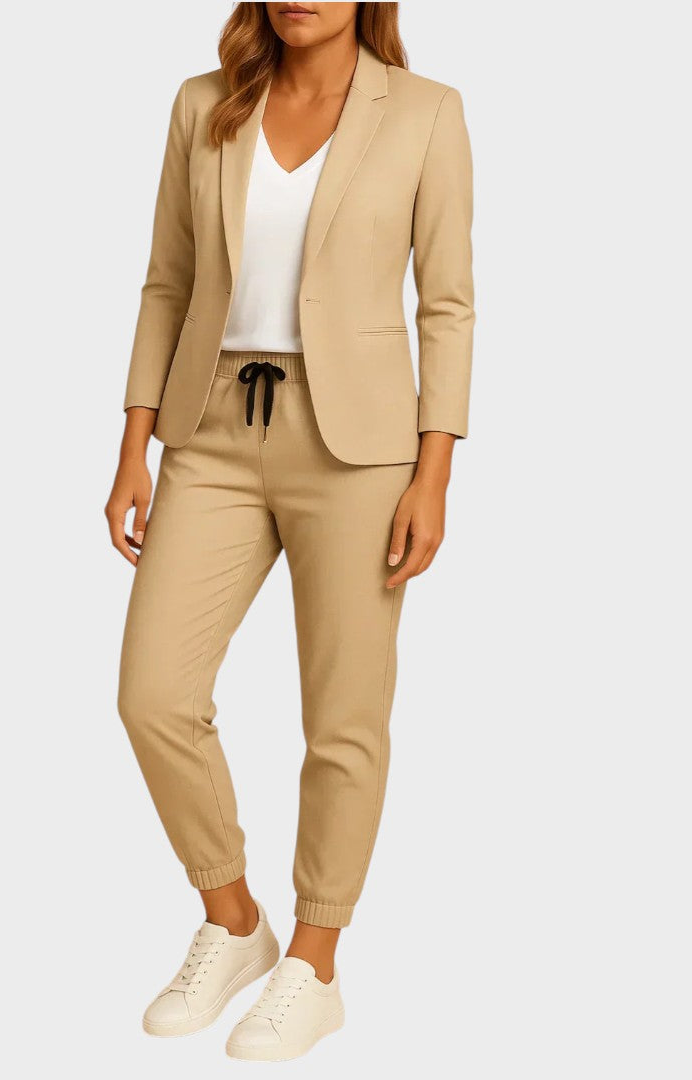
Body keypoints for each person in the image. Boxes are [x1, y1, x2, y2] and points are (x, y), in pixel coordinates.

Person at [105, 1, 473, 1061]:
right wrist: (134, 446)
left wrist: (435, 470)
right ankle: (235, 923)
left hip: (358, 448)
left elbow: (448, 304)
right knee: (153, 694)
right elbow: (168, 281)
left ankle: (314, 961)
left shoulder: (426, 114)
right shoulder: (204, 105)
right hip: (211, 428)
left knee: (344, 715)